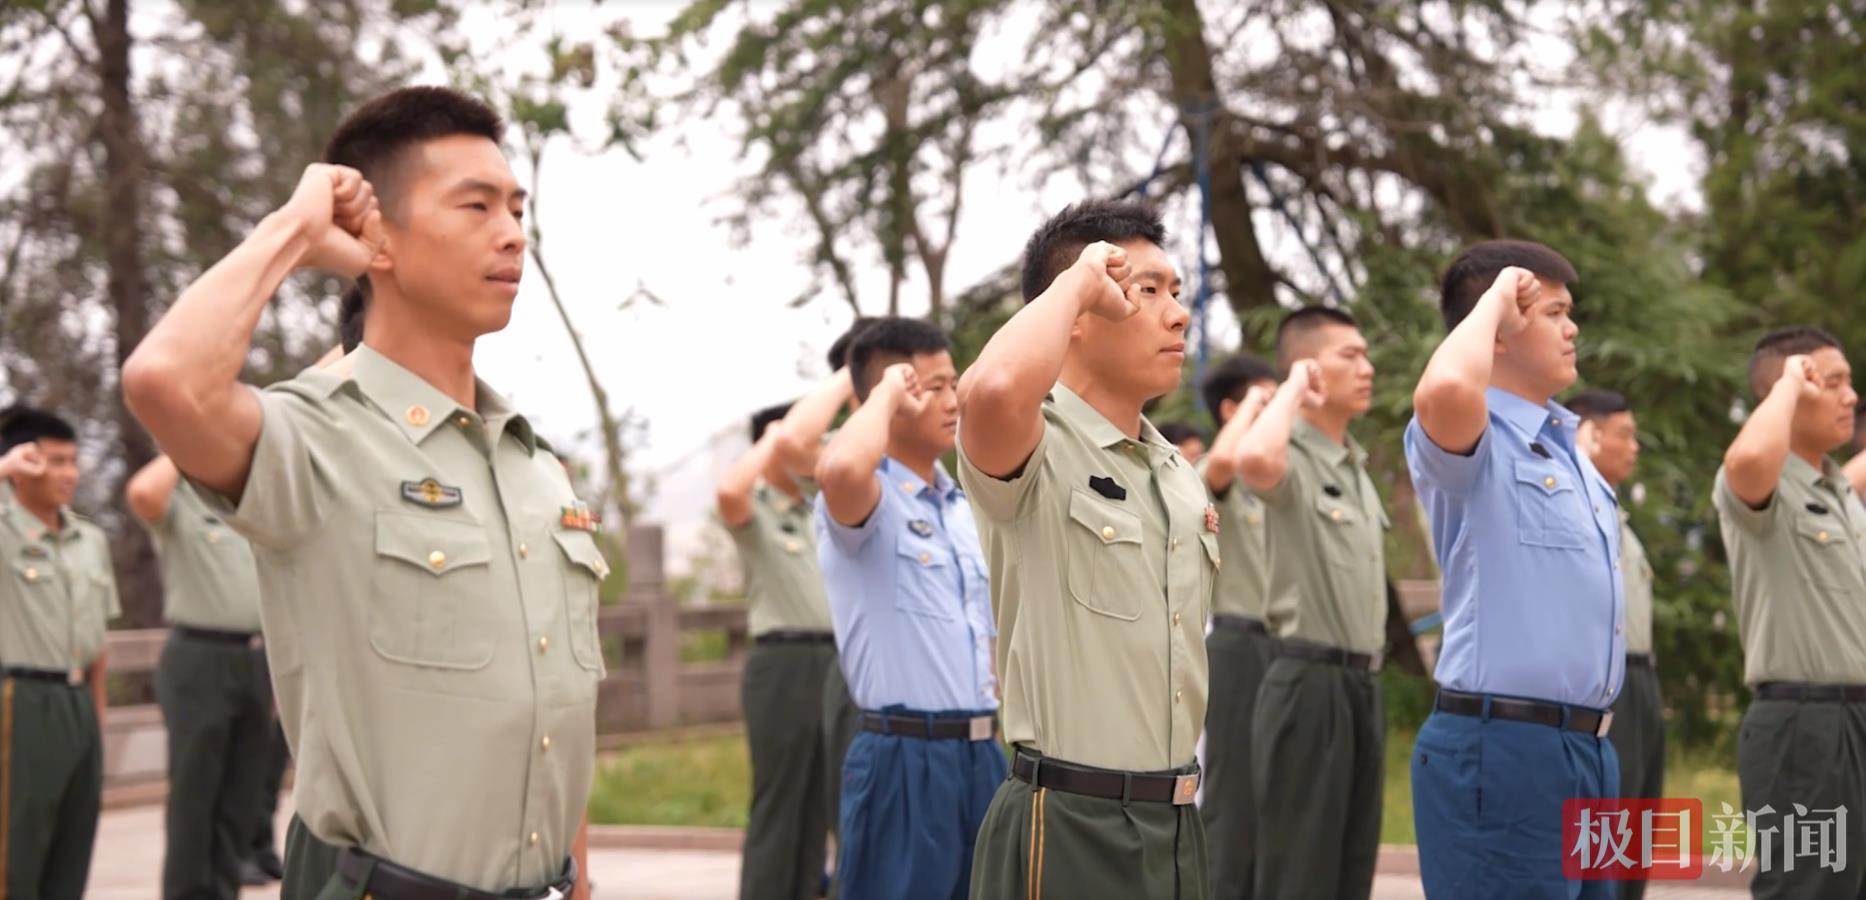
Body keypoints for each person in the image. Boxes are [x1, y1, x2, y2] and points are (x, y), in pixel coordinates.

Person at [122, 86, 596, 900]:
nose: (513, 233)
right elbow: (165, 381)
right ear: (377, 237)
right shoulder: (317, 438)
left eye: (516, 208)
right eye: (476, 206)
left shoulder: (536, 468)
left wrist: (578, 881)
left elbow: (556, 709)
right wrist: (294, 233)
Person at [958, 199, 1218, 899]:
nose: (1177, 314)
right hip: (1070, 821)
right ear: (1077, 311)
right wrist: (1075, 281)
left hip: (1176, 821)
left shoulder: (1177, 475)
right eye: (1145, 290)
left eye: (1176, 291)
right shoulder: (1033, 442)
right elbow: (991, 386)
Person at [1406, 241, 1622, 898]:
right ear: (1499, 334)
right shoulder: (1473, 437)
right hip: (1501, 748)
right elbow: (1445, 385)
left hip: (1588, 751)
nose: (1572, 327)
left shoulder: (1568, 448)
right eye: (1554, 312)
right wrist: (1499, 296)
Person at [812, 317, 1003, 900]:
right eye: (932, 387)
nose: (951, 401)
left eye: (953, 384)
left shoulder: (963, 508)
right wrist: (891, 390)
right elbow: (842, 467)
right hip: (902, 760)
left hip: (982, 755)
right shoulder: (866, 501)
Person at [1234, 308, 1386, 900]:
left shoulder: (1354, 467)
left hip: (1362, 687)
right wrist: (1293, 391)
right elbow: (1253, 463)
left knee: (1352, 869)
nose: (1366, 368)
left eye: (1366, 355)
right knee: (1300, 871)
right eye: (1349, 355)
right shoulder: (1288, 447)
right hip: (1309, 683)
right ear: (1309, 364)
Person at [1714, 326, 1866, 897]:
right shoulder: (1762, 483)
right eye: (1833, 383)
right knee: (1805, 887)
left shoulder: (1837, 493)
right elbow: (1750, 453)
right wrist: (1788, 386)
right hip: (1806, 727)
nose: (1851, 396)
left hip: (1855, 719)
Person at [127, 453, 272, 900]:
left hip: (255, 657)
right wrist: (184, 441)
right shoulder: (182, 502)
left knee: (242, 795)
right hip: (200, 656)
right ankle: (186, 893)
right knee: (196, 792)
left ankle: (224, 890)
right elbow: (142, 494)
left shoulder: (249, 503)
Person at [719, 398, 842, 900]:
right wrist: (775, 437)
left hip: (835, 663)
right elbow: (729, 490)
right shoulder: (757, 509)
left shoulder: (823, 509)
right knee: (780, 802)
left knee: (822, 805)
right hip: (783, 664)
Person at [0, 406, 118, 900]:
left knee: (72, 850)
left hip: (77, 708)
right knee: (15, 856)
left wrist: (97, 726)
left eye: (73, 461)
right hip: (19, 705)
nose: (68, 474)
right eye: (52, 461)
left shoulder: (89, 539)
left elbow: (98, 651)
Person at [774, 324, 875, 863]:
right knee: (862, 842)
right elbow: (793, 442)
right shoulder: (841, 457)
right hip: (863, 679)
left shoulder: (927, 460)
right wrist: (857, 371)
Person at [1567, 388, 1663, 900]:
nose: (1635, 446)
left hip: (1642, 683)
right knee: (1607, 827)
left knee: (1639, 820)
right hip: (1606, 683)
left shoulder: (1618, 517)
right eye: (1624, 434)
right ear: (1591, 435)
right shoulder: (1574, 502)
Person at [1193, 354, 1278, 900]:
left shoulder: (1275, 485)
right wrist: (1252, 409)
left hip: (1286, 649)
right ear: (1233, 409)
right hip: (1239, 646)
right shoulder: (1224, 481)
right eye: (1268, 402)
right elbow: (1220, 463)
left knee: (1278, 800)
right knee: (1234, 798)